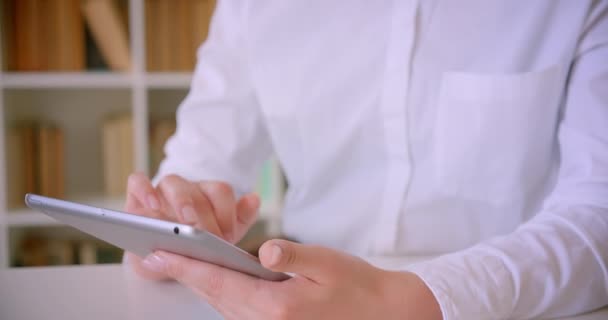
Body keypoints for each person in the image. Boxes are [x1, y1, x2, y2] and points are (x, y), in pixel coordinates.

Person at [124, 1, 608, 319]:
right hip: (299, 297)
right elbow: (196, 163)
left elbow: (599, 215)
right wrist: (167, 225)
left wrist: (420, 298)